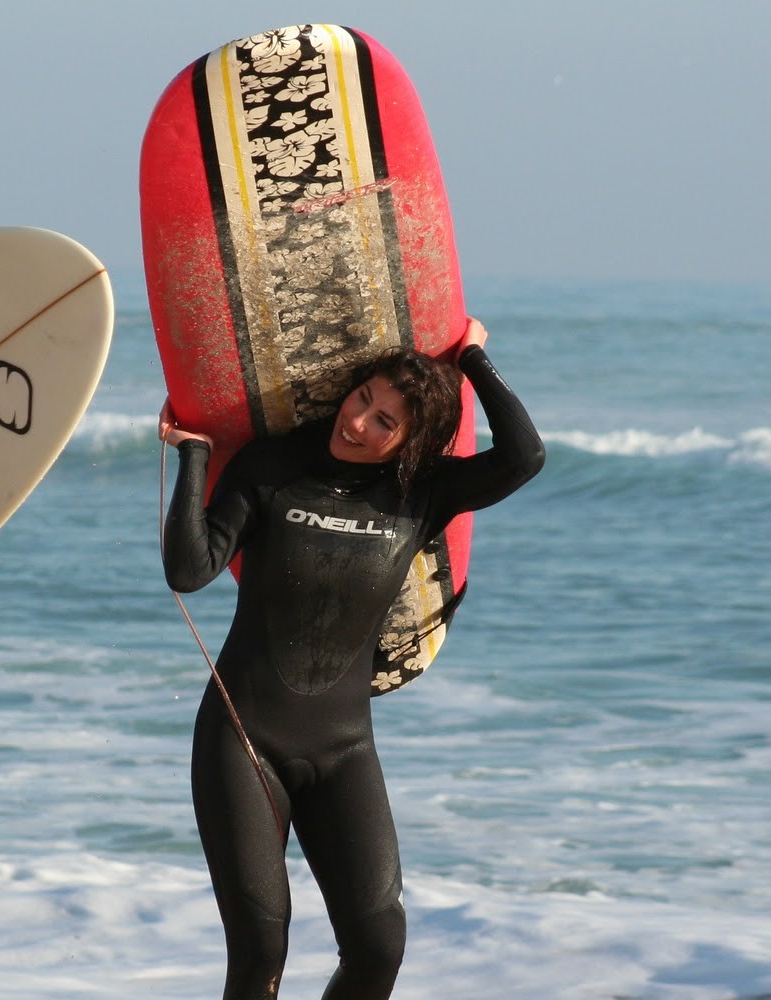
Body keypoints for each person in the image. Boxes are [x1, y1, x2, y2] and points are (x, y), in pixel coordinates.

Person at [159, 317, 544, 1000]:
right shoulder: (276, 468)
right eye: (361, 397)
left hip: (343, 747)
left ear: (413, 442)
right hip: (244, 737)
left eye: (385, 420)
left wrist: (473, 357)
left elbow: (524, 455)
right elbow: (191, 569)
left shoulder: (422, 494)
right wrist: (194, 456)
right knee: (260, 950)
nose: (359, 421)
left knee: (378, 947)